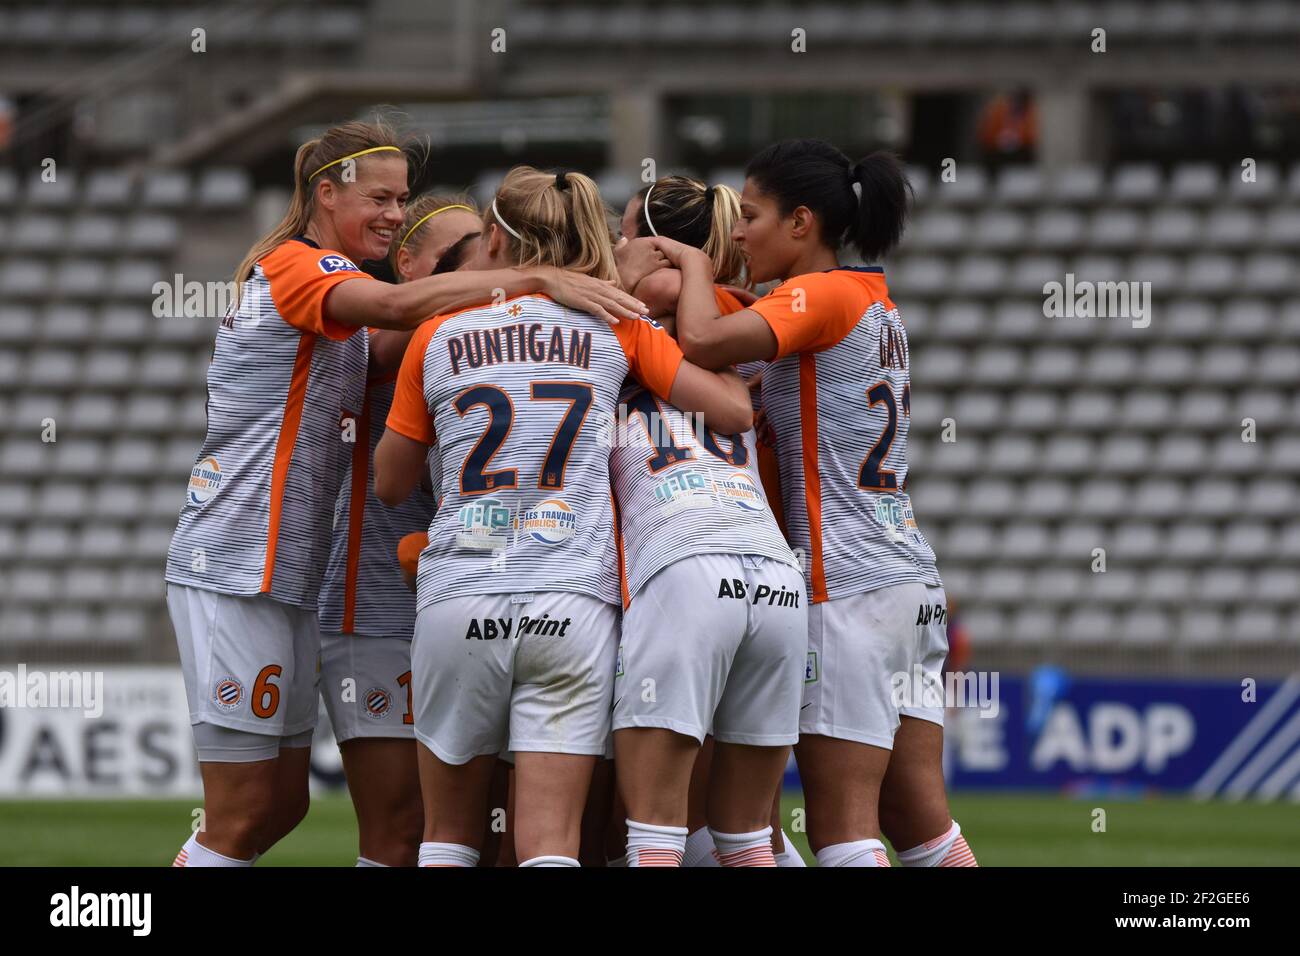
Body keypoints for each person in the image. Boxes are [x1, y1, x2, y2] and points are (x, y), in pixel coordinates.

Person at [165, 120, 645, 868]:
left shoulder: (346, 312)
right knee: (248, 809)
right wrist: (536, 278)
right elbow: (397, 311)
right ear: (326, 193)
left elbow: (409, 333)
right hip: (235, 561)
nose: (393, 213)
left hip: (285, 573)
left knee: (283, 803)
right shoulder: (297, 265)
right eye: (381, 198)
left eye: (401, 200)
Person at [373, 165, 753, 868]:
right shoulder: (617, 328)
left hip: (459, 596)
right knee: (551, 845)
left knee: (446, 838)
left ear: (495, 237)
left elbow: (390, 483)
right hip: (572, 600)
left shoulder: (438, 334)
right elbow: (731, 411)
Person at [663, 138, 977, 867]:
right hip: (906, 581)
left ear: (802, 223)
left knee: (842, 827)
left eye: (750, 215)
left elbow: (702, 338)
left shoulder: (823, 292)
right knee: (922, 823)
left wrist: (689, 263)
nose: (738, 232)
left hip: (846, 589)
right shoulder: (870, 299)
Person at [608, 175, 806, 867]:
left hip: (682, 565)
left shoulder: (605, 324)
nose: (613, 246)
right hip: (773, 572)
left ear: (653, 244)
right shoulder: (734, 318)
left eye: (625, 233)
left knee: (654, 829)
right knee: (748, 833)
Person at [316, 194, 482, 867]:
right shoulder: (379, 339)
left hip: (473, 600)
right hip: (379, 606)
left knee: (473, 828)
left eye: (484, 252)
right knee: (400, 831)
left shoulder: (485, 336)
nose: (473, 271)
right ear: (405, 263)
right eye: (454, 259)